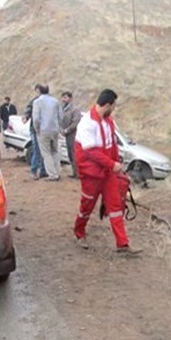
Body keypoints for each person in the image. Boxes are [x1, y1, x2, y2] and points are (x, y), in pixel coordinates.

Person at [72, 88, 141, 255]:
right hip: (91, 175)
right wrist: (112, 164)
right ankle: (79, 233)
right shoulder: (87, 123)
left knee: (115, 205)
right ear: (108, 105)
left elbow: (112, 145)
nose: (114, 109)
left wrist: (117, 165)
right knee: (86, 206)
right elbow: (91, 152)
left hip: (108, 172)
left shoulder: (108, 121)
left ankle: (122, 244)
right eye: (114, 106)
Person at [32, 84, 62, 181]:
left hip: (43, 130)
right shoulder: (55, 101)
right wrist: (58, 126)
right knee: (55, 151)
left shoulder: (37, 102)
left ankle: (52, 174)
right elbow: (60, 116)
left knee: (46, 152)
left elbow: (36, 118)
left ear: (39, 91)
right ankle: (57, 171)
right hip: (55, 129)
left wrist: (37, 129)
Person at [23, 86, 47, 179]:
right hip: (35, 129)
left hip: (44, 129)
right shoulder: (35, 101)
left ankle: (43, 170)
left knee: (44, 151)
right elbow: (28, 110)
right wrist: (26, 116)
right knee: (37, 149)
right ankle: (34, 170)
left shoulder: (48, 101)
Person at [59, 91, 82, 178]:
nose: (63, 100)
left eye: (65, 97)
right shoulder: (63, 109)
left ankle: (78, 173)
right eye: (63, 97)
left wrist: (67, 130)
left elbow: (75, 122)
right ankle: (74, 172)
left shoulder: (75, 109)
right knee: (70, 153)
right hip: (67, 134)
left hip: (73, 134)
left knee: (74, 153)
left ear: (70, 98)